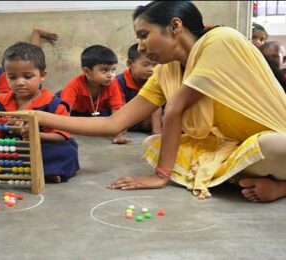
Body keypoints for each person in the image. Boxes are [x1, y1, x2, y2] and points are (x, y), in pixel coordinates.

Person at [31, 1, 286, 202]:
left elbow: (174, 109)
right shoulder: (166, 70)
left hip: (275, 141)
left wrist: (160, 176)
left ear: (175, 26)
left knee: (272, 144)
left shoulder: (221, 40)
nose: (140, 47)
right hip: (235, 145)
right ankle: (242, 178)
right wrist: (40, 117)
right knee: (153, 145)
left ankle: (280, 187)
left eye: (144, 35)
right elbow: (114, 123)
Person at [0, 42, 79, 183]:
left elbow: (61, 136)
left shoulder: (53, 104)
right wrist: (3, 131)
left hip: (42, 146)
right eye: (12, 77)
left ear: (42, 75)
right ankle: (30, 170)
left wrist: (34, 134)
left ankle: (47, 171)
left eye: (27, 76)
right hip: (11, 147)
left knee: (67, 151)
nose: (20, 82)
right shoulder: (0, 103)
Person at [59, 45, 131, 144]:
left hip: (99, 112)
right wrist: (61, 133)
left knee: (109, 121)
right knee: (57, 106)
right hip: (76, 113)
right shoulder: (74, 85)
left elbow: (116, 109)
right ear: (87, 71)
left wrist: (118, 135)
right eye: (104, 70)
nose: (111, 75)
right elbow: (64, 111)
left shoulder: (113, 83)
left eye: (113, 70)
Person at [115, 43, 162, 134]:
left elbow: (156, 105)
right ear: (129, 63)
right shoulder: (119, 81)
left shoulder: (154, 80)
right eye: (145, 65)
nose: (151, 69)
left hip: (145, 120)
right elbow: (120, 107)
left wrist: (157, 132)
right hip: (127, 121)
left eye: (155, 65)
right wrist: (120, 133)